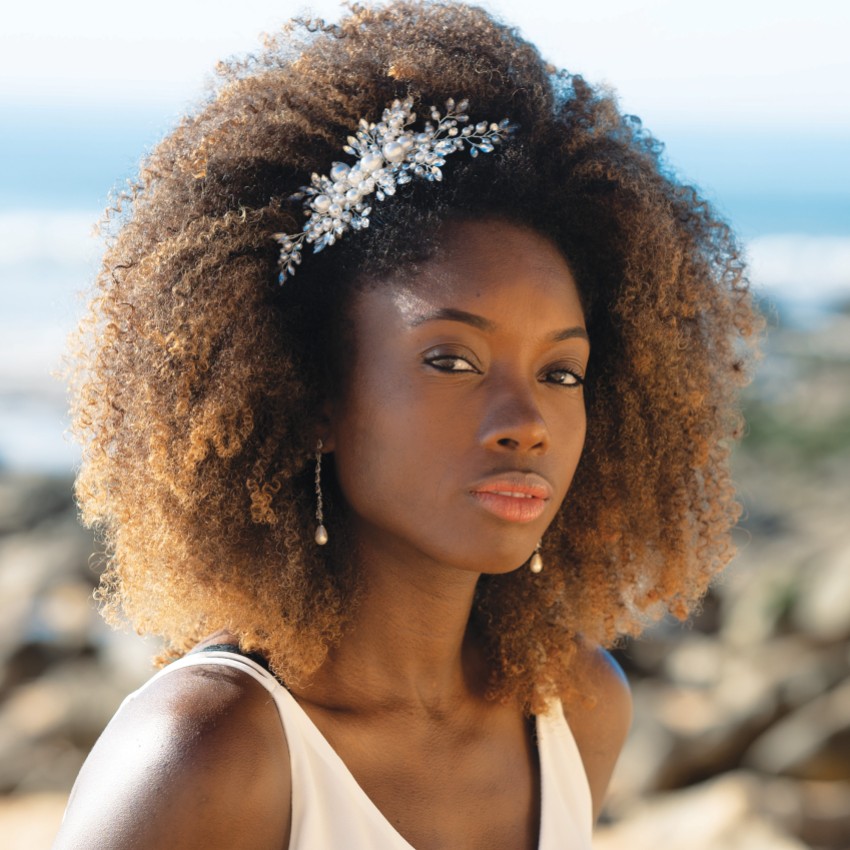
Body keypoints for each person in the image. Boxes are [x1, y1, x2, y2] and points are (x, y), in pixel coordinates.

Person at [54, 2, 761, 848]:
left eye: (561, 371)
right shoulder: (209, 752)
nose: (527, 423)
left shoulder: (578, 709)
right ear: (314, 395)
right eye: (452, 361)